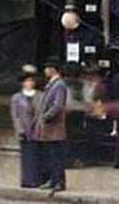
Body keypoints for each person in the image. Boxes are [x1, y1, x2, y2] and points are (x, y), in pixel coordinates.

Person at [37, 58, 70, 194]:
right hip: (50, 127)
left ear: (53, 69)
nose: (45, 71)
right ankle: (53, 179)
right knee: (51, 155)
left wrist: (46, 116)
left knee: (56, 155)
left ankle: (59, 182)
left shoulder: (59, 85)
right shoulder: (52, 84)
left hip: (55, 126)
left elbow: (58, 105)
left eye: (47, 68)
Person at [10, 67, 41, 188]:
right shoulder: (16, 98)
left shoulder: (40, 96)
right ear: (23, 83)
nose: (30, 83)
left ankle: (36, 179)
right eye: (28, 81)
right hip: (24, 130)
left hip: (37, 129)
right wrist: (19, 129)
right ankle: (26, 179)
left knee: (37, 155)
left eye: (32, 81)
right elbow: (15, 115)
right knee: (26, 156)